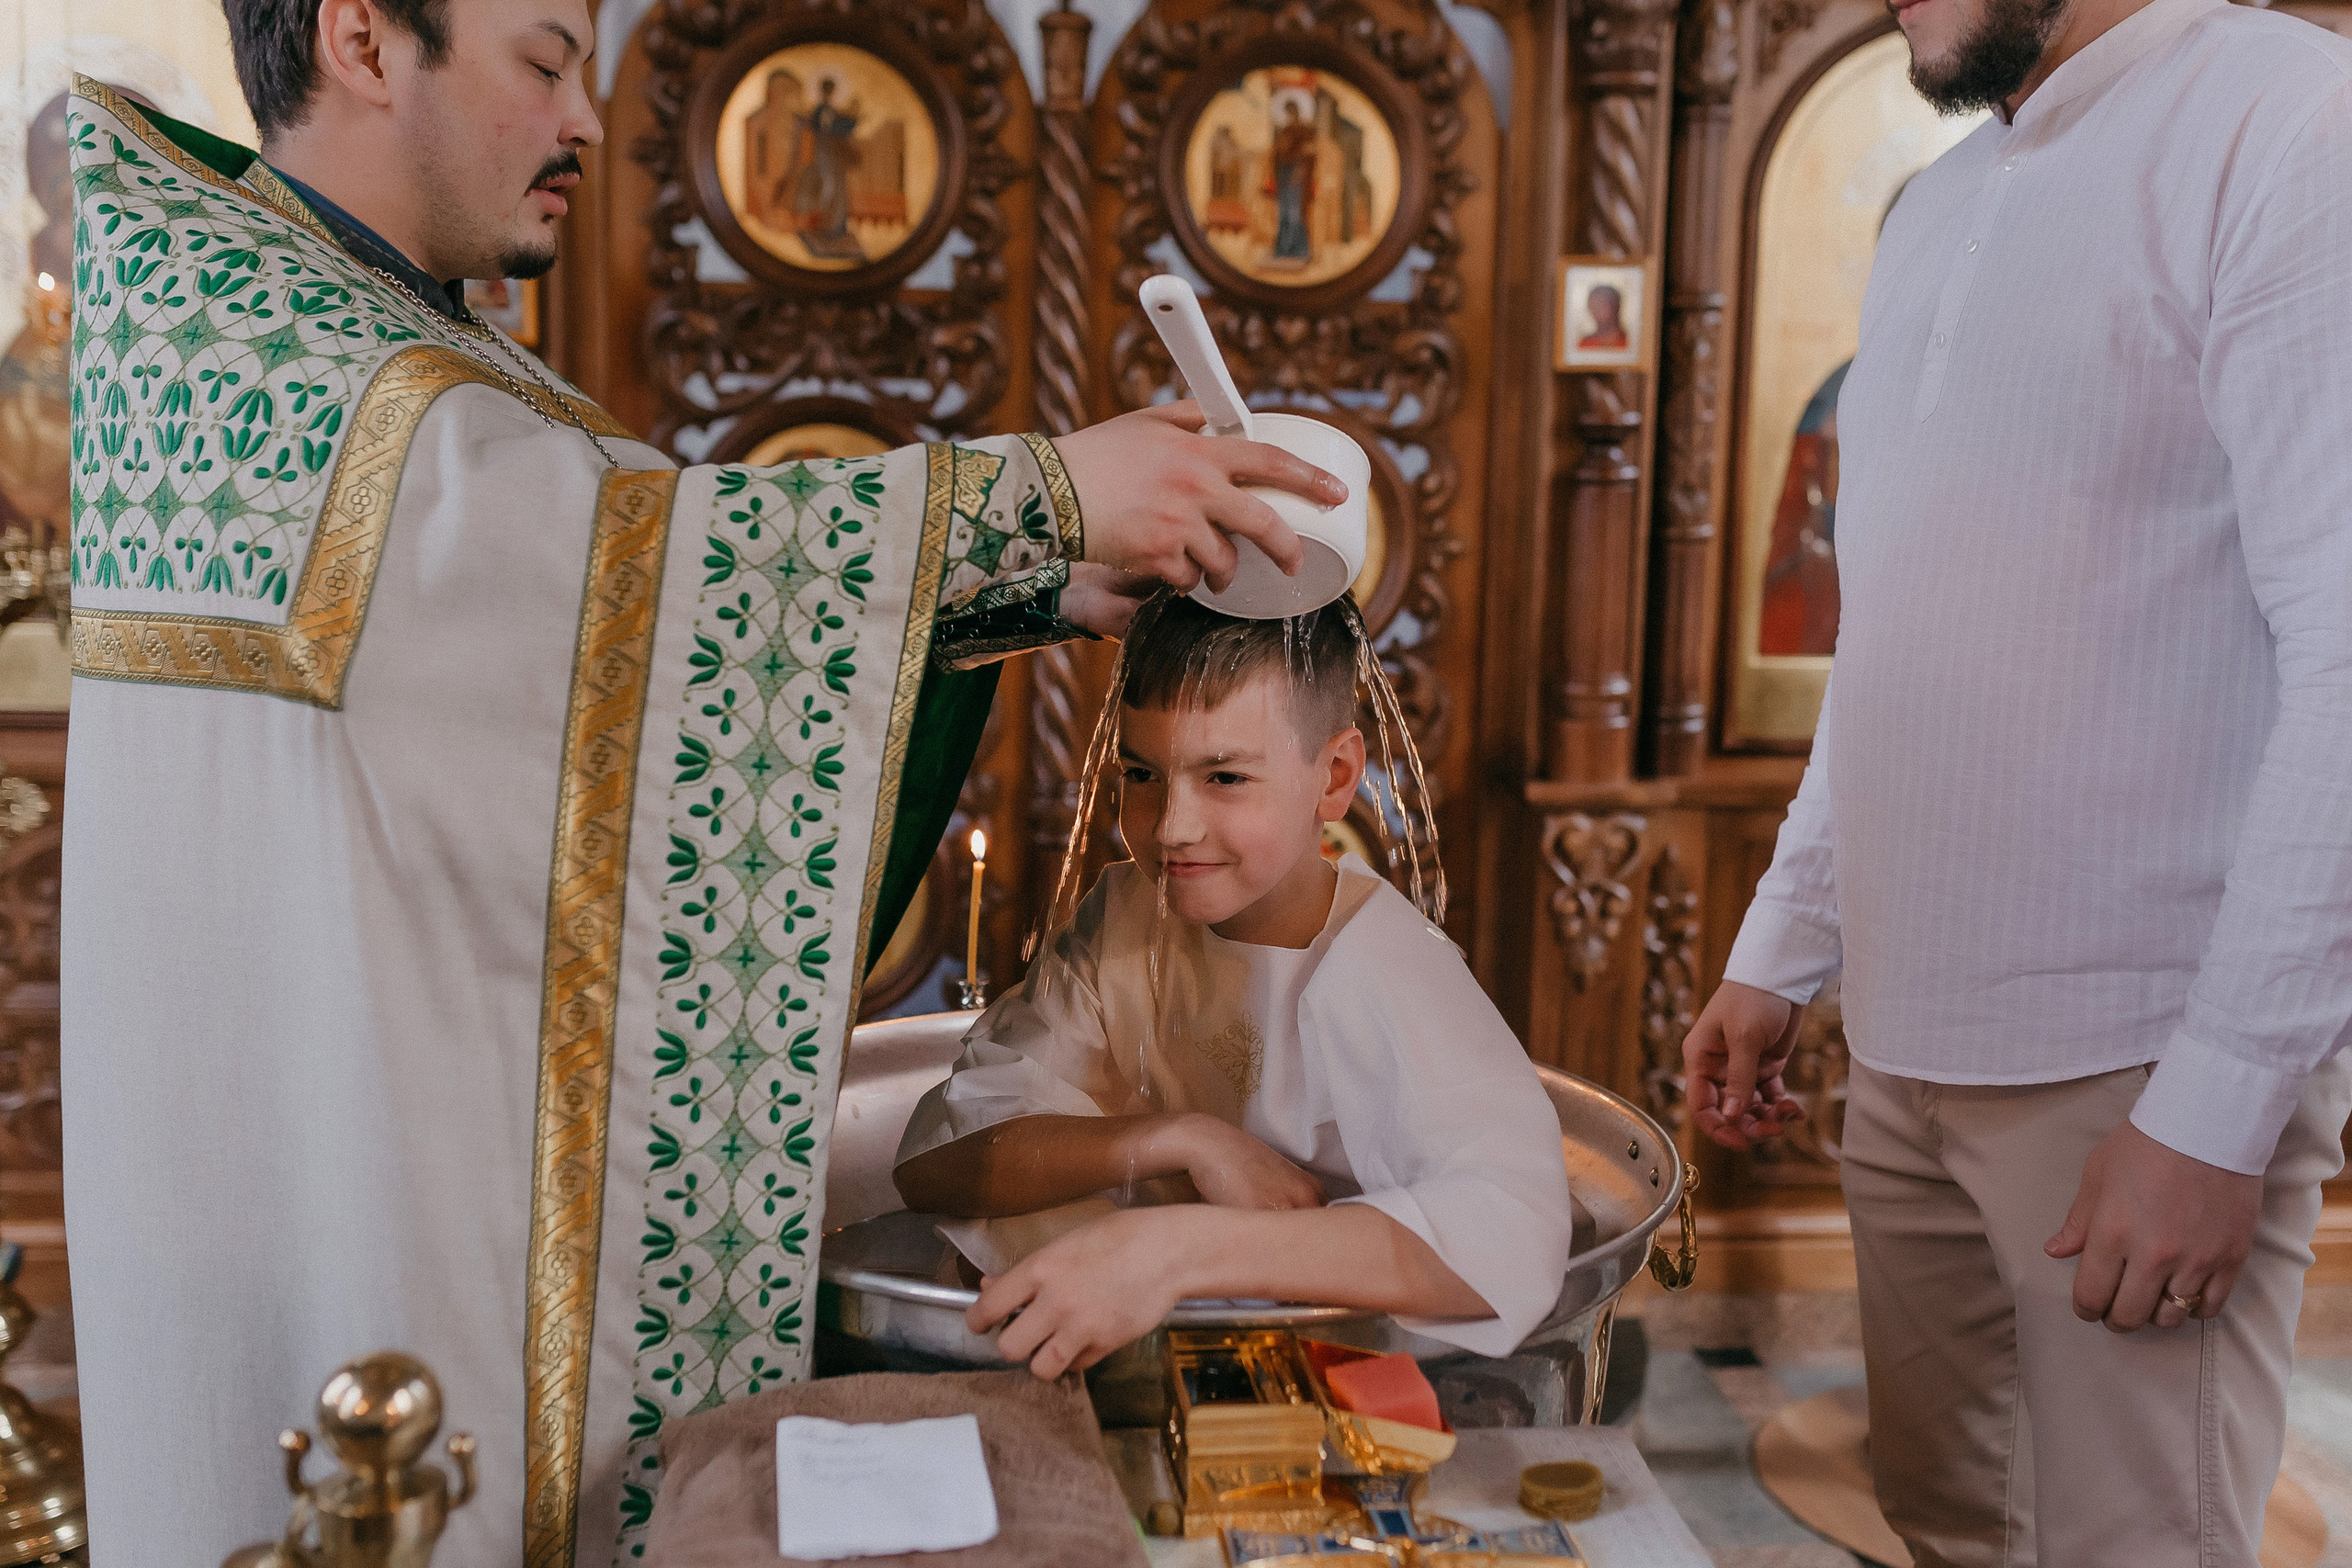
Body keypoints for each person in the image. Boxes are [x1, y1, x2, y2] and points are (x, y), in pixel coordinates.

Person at [59, 0, 1351, 1562]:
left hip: (371, 1117)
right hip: (334, 1205)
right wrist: (1037, 499)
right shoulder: (279, 349)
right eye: (546, 61)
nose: (587, 121)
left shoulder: (334, 317)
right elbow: (600, 579)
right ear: (362, 38)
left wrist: (1028, 578)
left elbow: (558, 649)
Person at [1683, 0, 2352, 1559]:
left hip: (2132, 1066)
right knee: (1942, 1522)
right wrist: (1783, 945)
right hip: (1908, 1050)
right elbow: (1895, 636)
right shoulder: (1939, 205)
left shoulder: (2287, 122)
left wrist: (2219, 1105)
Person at [893, 595, 1575, 1378]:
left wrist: (1177, 1251)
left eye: (1224, 776)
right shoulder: (1123, 920)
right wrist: (1174, 1138)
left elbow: (1513, 1230)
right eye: (1141, 773)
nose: (1172, 824)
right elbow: (938, 1161)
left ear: (1336, 776)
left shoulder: (1388, 966)